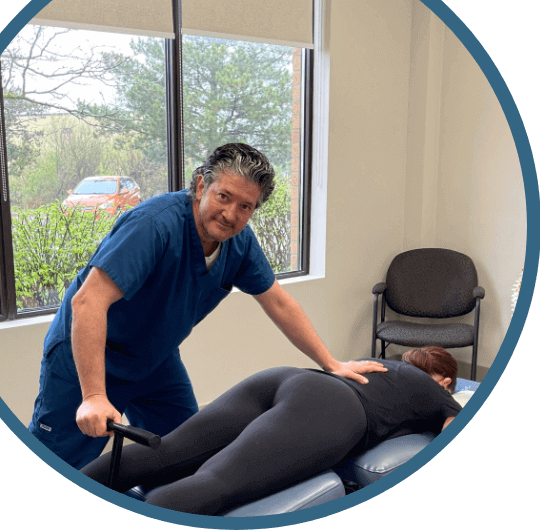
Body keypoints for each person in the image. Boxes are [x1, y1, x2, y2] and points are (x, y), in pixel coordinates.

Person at [29, 143, 386, 470]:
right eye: (224, 197)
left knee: (185, 451)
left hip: (155, 359)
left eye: (245, 206)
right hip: (91, 354)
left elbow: (277, 301)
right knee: (61, 460)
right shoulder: (155, 225)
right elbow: (87, 302)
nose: (231, 214)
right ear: (201, 186)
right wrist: (93, 395)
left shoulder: (239, 244)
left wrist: (331, 363)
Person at [80, 346, 463, 515]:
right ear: (446, 380)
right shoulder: (440, 393)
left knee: (167, 450)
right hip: (331, 410)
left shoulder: (379, 365)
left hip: (285, 378)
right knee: (217, 481)